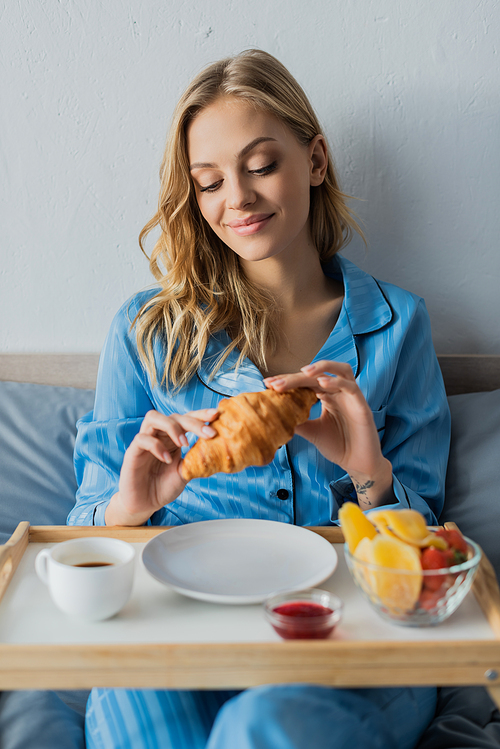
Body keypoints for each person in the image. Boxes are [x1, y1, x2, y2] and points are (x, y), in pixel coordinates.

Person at [69, 49, 450, 749]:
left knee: (262, 727)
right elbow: (87, 536)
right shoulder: (146, 331)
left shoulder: (401, 325)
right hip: (173, 635)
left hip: (349, 644)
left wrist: (370, 472)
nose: (236, 198)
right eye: (209, 181)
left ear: (316, 159)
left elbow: (425, 566)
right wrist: (133, 503)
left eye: (262, 165)